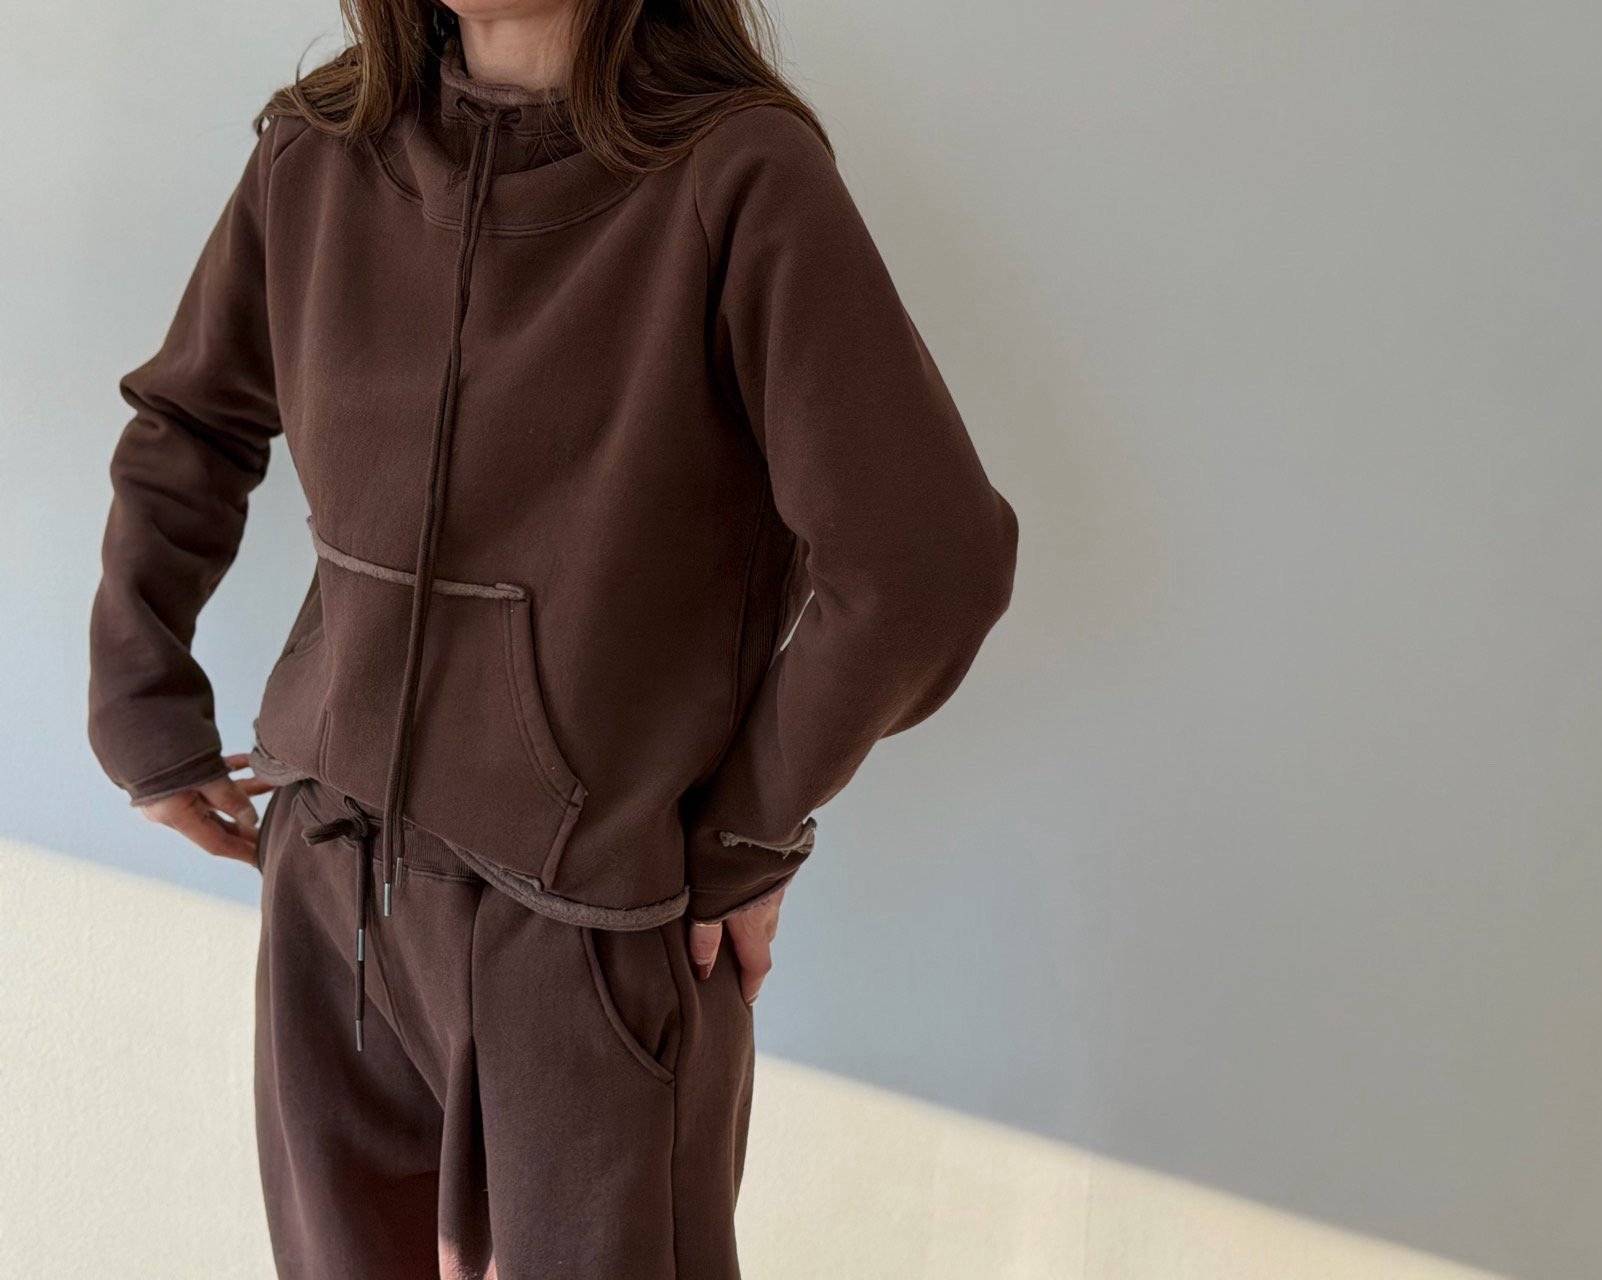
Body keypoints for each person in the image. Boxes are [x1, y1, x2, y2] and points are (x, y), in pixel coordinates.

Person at [86, 0, 1018, 1275]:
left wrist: (742, 832)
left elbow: (924, 561)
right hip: (327, 879)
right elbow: (192, 423)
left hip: (584, 930)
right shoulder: (319, 149)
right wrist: (139, 703)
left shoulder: (737, 174)